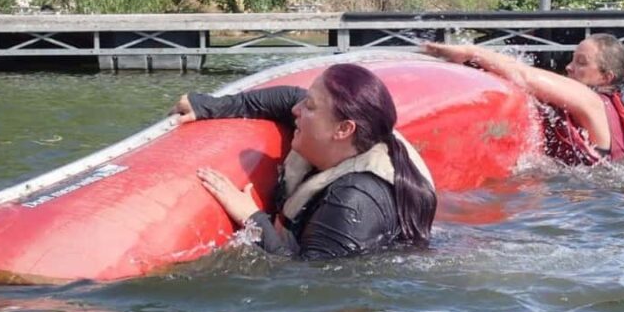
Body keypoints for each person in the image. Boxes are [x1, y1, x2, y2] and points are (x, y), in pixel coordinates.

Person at [171, 63, 437, 260]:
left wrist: (251, 218)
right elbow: (288, 98)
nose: (296, 111)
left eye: (309, 107)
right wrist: (211, 106)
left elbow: (309, 283)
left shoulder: (352, 203)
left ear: (343, 129)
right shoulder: (354, 136)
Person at [424, 33, 624, 166]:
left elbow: (524, 76)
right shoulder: (618, 104)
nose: (569, 67)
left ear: (605, 77)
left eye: (581, 62)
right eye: (572, 60)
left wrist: (469, 52)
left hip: (586, 200)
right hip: (608, 194)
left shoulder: (592, 101)